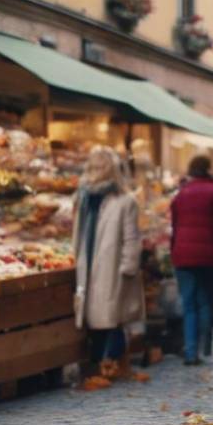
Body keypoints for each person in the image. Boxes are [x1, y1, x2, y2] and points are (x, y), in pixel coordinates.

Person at [72, 147, 143, 372]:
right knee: (93, 316)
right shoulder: (82, 198)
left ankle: (109, 363)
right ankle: (98, 362)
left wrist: (127, 267)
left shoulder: (125, 201)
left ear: (112, 170)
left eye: (101, 167)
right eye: (92, 167)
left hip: (111, 266)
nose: (96, 171)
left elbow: (132, 238)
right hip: (88, 261)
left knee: (111, 316)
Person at [170, 155, 213, 365]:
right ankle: (206, 345)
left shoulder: (180, 194)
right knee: (204, 301)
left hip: (183, 255)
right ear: (207, 169)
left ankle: (190, 352)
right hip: (209, 254)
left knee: (188, 304)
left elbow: (174, 226)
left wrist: (174, 252)